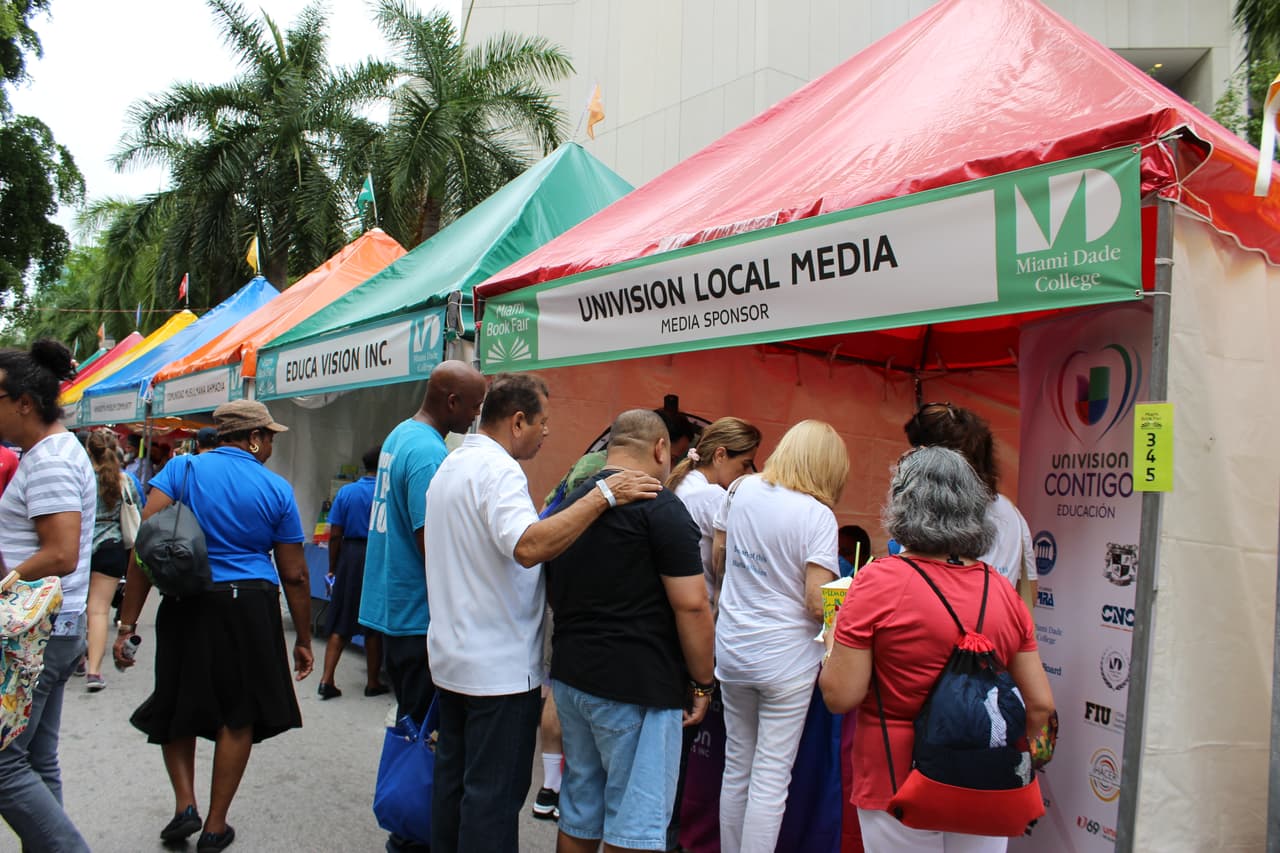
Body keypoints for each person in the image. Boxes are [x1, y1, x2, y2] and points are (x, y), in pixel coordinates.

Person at [424, 373, 663, 853]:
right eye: (543, 422)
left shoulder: (452, 464)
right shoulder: (499, 471)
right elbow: (528, 546)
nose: (546, 432)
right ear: (517, 421)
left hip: (453, 659)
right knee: (492, 799)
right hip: (498, 672)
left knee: (454, 790)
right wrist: (603, 497)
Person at [819, 446, 1056, 852]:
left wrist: (833, 639)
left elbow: (841, 696)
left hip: (896, 777)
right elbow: (1040, 707)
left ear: (901, 505)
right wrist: (1029, 762)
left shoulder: (878, 581)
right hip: (989, 777)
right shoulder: (1000, 589)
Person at [113, 399, 314, 853]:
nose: (270, 447)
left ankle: (186, 805)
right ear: (255, 438)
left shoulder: (180, 473)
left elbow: (145, 548)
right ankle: (216, 825)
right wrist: (302, 638)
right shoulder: (276, 489)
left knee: (178, 700)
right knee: (238, 713)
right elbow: (296, 574)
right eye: (270, 438)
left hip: (189, 601)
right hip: (251, 607)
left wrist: (127, 623)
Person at [547, 410, 716, 853]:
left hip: (572, 677)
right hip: (637, 685)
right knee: (635, 826)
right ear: (662, 449)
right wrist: (703, 681)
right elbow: (693, 604)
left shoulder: (574, 498)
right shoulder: (661, 507)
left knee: (580, 809)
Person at [713, 419, 848, 853]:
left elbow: (718, 556)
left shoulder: (741, 490)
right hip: (786, 661)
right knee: (770, 777)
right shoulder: (818, 516)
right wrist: (844, 599)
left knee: (737, 767)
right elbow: (816, 601)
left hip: (733, 648)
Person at [0, 340, 94, 852]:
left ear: (23, 403)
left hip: (37, 634)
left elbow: (60, 554)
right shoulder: (47, 454)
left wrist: (3, 582)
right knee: (36, 758)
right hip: (52, 629)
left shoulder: (51, 461)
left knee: (3, 763)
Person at [358, 362, 487, 726]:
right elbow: (433, 544)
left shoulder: (401, 434)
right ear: (451, 402)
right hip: (417, 617)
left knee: (408, 722)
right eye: (474, 405)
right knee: (423, 735)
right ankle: (407, 786)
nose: (477, 414)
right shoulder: (429, 454)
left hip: (393, 608)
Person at [903, 402, 1037, 599]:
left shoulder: (933, 514)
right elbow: (1030, 592)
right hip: (998, 626)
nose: (909, 458)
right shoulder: (1011, 512)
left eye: (918, 451)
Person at [667, 416, 762, 613]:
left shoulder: (682, 482)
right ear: (720, 455)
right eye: (745, 464)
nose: (746, 474)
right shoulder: (714, 497)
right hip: (702, 608)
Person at [317, 445, 387, 699]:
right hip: (377, 555)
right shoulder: (385, 495)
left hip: (350, 555)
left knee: (341, 619)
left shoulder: (347, 492)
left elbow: (335, 534)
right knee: (373, 621)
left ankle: (326, 679)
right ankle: (372, 682)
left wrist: (333, 568)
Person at [82, 429, 142, 692]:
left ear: (88, 450)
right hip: (111, 548)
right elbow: (137, 510)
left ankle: (75, 656)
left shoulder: (80, 477)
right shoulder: (124, 480)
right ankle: (93, 672)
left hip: (80, 548)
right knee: (98, 610)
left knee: (76, 607)